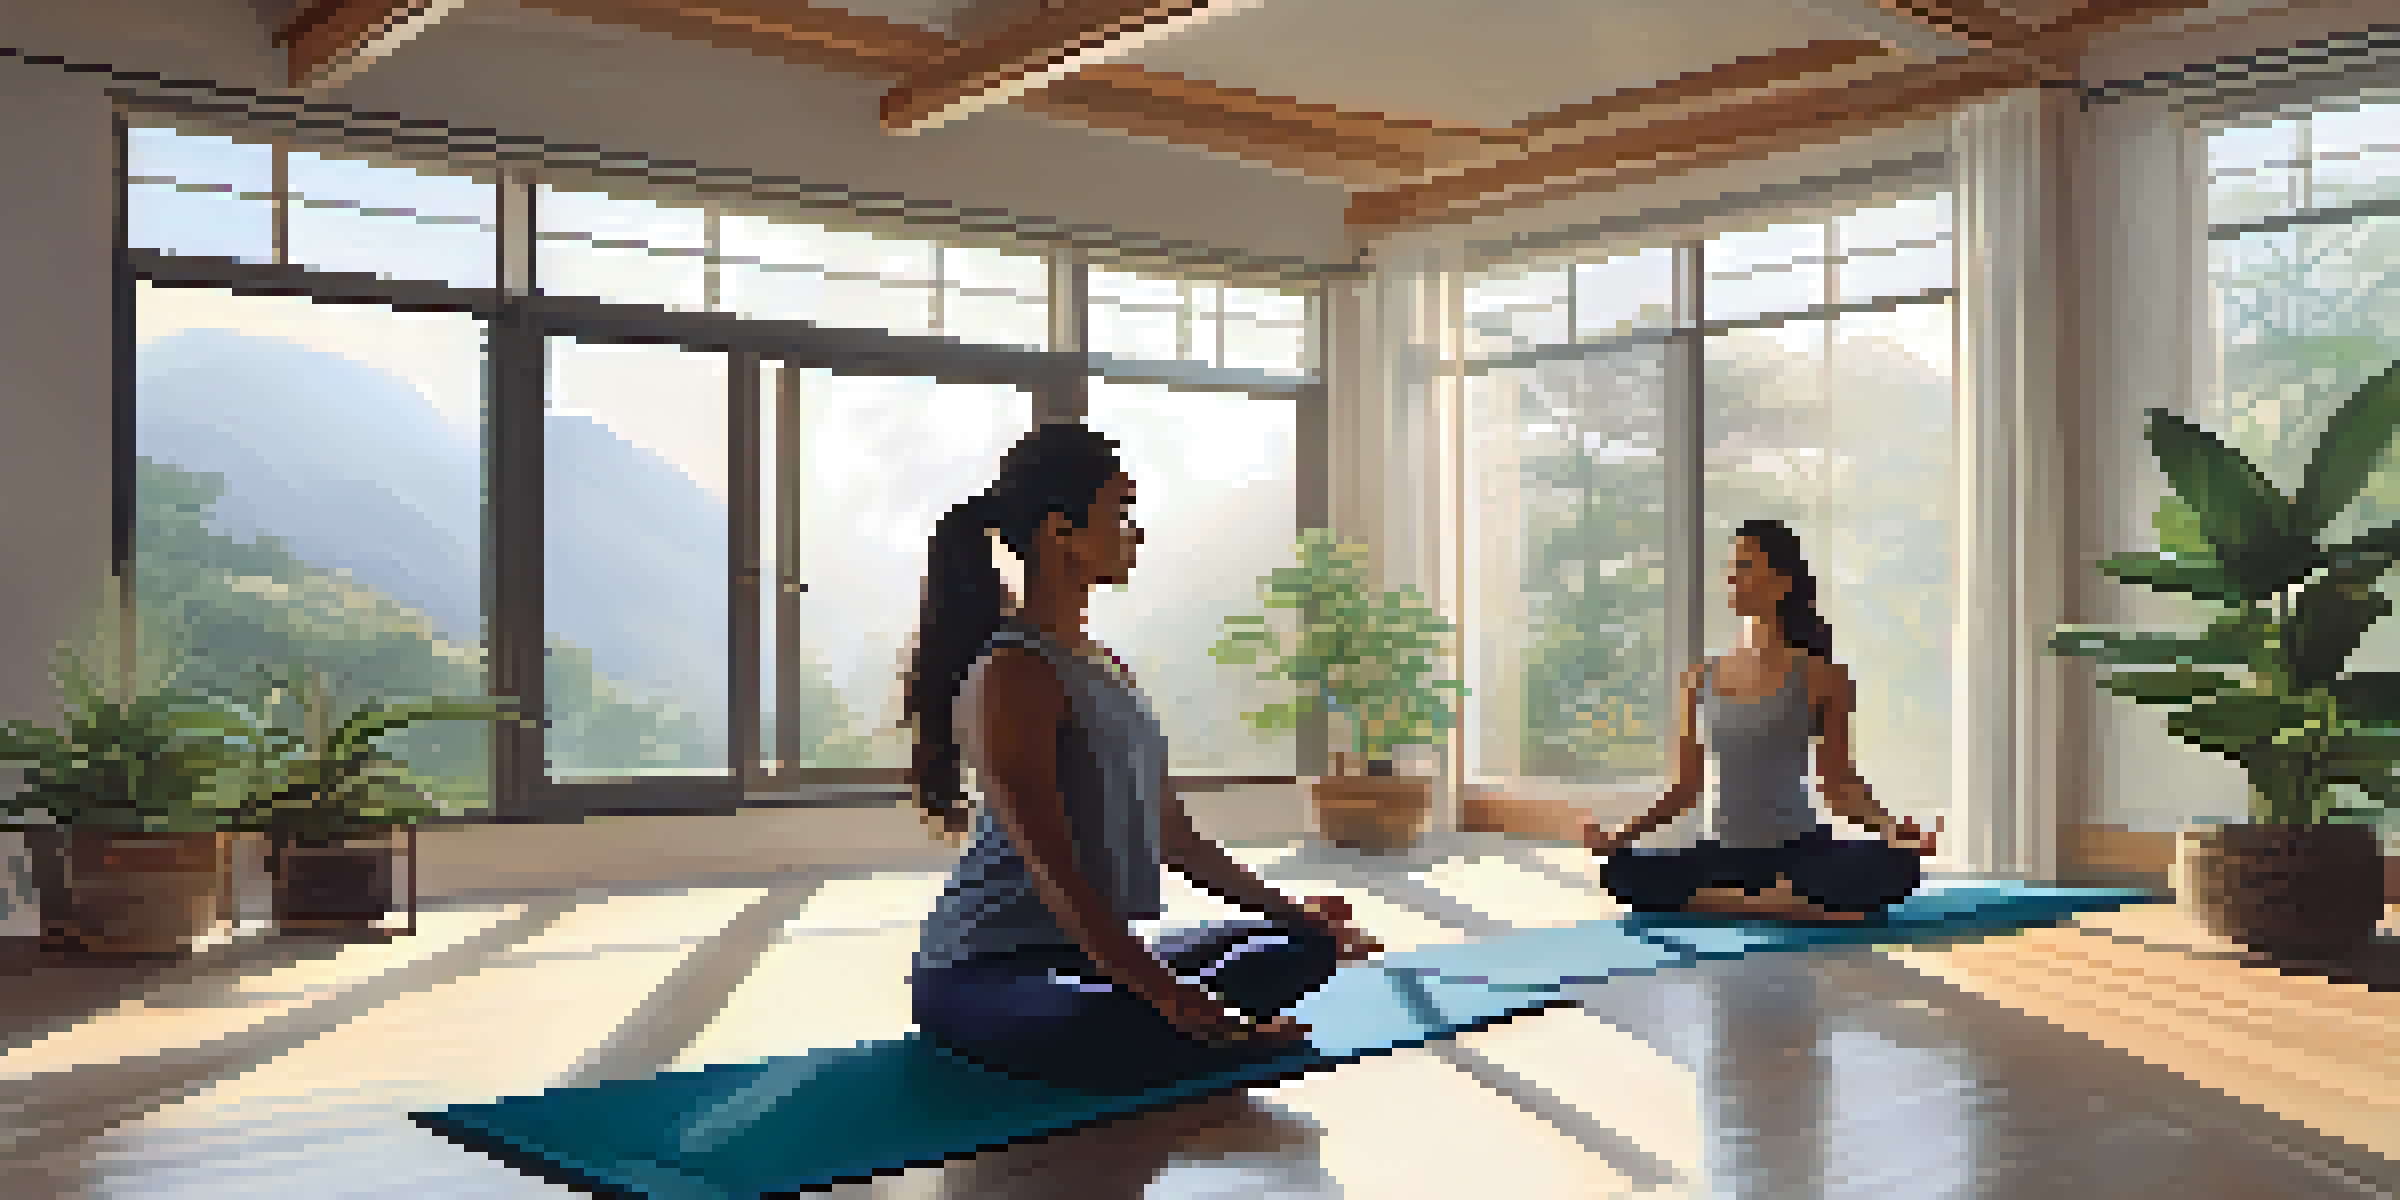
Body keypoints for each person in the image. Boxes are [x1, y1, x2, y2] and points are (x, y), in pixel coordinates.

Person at [904, 422, 1383, 1094]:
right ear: (1059, 533)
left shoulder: (1108, 666)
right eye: (1120, 514)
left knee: (1303, 948)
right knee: (1124, 1019)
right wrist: (1170, 993)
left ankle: (1172, 1023)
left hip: (1087, 953)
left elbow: (1177, 839)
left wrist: (1297, 913)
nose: (1136, 532)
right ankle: (1180, 1027)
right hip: (986, 969)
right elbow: (1055, 875)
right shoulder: (1011, 675)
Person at [1582, 520, 1938, 922]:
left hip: (1801, 854)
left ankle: (1724, 903)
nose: (1732, 576)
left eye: (1746, 565)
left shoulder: (1823, 676)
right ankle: (1788, 906)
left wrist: (1891, 828)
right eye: (1730, 566)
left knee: (1899, 866)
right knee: (1619, 872)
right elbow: (1684, 789)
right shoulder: (1699, 678)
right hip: (1720, 856)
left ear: (1782, 583)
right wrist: (1620, 836)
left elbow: (1838, 783)